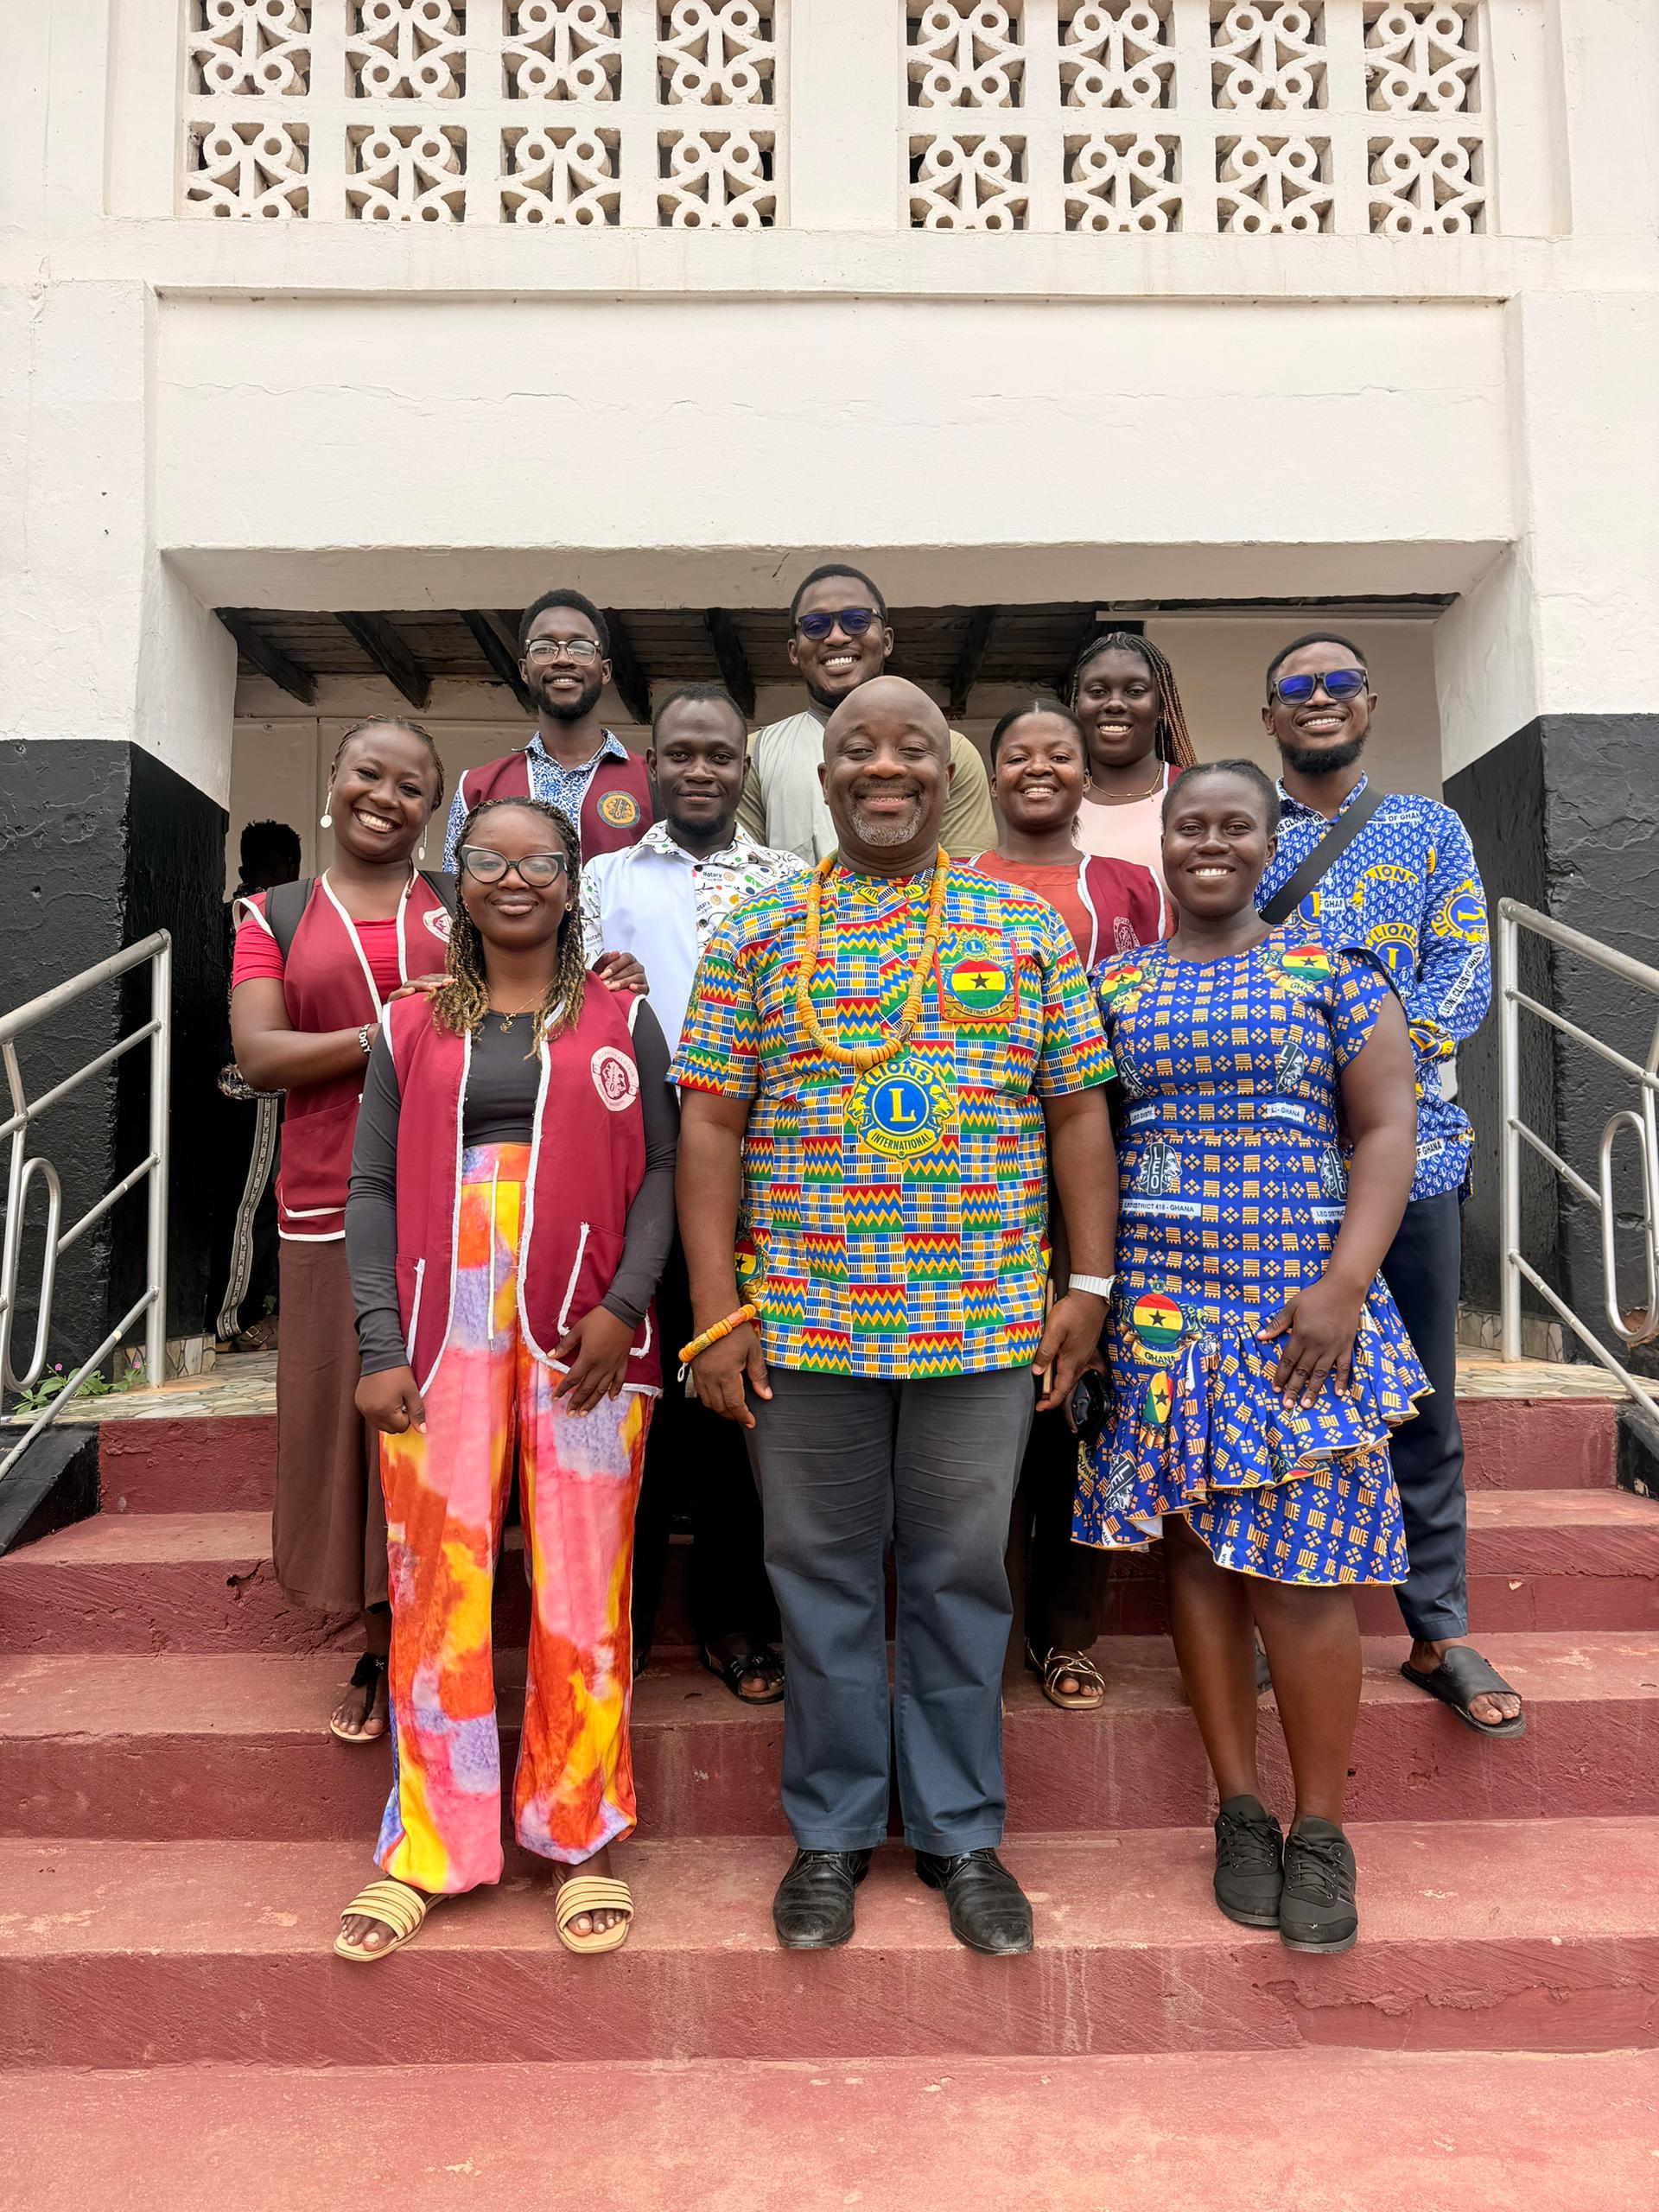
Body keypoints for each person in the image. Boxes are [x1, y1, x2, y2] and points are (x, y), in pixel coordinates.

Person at [677, 677, 1117, 1956]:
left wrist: (1089, 1287)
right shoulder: (757, 932)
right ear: (822, 781)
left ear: (946, 773)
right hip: (803, 1326)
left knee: (960, 1578)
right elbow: (709, 1125)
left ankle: (959, 1831)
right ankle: (829, 1832)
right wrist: (715, 1312)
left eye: (912, 748)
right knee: (816, 1579)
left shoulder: (1021, 926)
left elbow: (1077, 1111)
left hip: (984, 1322)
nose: (885, 767)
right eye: (857, 749)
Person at [1076, 760, 1426, 1955]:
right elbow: (1083, 1136)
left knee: (1306, 1576)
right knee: (1196, 1558)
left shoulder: (1334, 974)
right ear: (1163, 842)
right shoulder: (1115, 985)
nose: (1211, 842)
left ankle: (1321, 1827)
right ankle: (1237, 1809)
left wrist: (1345, 1285)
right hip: (1161, 1312)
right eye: (1191, 825)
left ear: (1273, 843)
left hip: (1298, 1314)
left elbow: (1387, 1126)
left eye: (1236, 825)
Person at [334, 797, 677, 1963]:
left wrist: (626, 1306)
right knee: (437, 1583)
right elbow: (371, 1187)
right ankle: (433, 1846)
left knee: (584, 1586)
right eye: (490, 860)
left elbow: (664, 1168)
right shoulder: (411, 1022)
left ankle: (580, 1837)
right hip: (440, 1328)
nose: (515, 878)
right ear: (459, 882)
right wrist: (379, 1343)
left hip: (586, 1329)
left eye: (540, 862)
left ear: (573, 883)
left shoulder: (625, 1017)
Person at [1256, 634, 1520, 1737]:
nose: (1318, 700)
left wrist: (1371, 1069)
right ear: (1270, 716)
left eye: (1337, 684)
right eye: (1296, 688)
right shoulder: (1245, 826)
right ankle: (1272, 1617)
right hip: (1270, 1167)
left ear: (1368, 701)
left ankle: (1437, 1627)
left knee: (1421, 1398)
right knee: (1272, 1387)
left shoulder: (1429, 827)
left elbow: (1464, 971)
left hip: (1414, 1149)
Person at [581, 681, 805, 1702]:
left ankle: (734, 1620)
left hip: (760, 1173)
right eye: (681, 754)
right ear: (652, 766)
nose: (701, 769)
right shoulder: (601, 879)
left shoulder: (793, 881)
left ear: (743, 767)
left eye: (719, 754)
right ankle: (612, 1627)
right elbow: (560, 1002)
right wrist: (601, 996)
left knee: (735, 1400)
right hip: (631, 1167)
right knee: (634, 1400)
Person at [230, 721, 453, 1745]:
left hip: (454, 1201)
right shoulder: (275, 912)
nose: (385, 796)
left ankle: (444, 1630)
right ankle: (377, 1640)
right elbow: (261, 1054)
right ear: (333, 781)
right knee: (351, 1432)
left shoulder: (458, 901)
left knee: (445, 1427)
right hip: (326, 1204)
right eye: (369, 773)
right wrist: (385, 1032)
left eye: (411, 785)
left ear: (432, 808)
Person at [966, 700, 1168, 1710]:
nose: (1038, 766)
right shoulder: (957, 883)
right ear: (991, 775)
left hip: (1106, 1143)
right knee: (999, 1392)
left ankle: (1068, 1627)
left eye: (1060, 754)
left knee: (1088, 1392)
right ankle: (982, 1631)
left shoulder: (1128, 883)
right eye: (1018, 753)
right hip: (991, 1161)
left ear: (1089, 777)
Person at [736, 564, 996, 863]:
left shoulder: (951, 749)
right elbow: (745, 873)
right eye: (816, 625)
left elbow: (965, 874)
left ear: (886, 641)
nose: (836, 637)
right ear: (794, 651)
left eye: (856, 621)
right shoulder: (757, 753)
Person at [442, 588, 652, 868]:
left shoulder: (654, 784)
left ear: (604, 671)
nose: (563, 659)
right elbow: (455, 889)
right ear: (524, 669)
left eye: (581, 647)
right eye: (544, 648)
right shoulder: (475, 788)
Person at [213, 819, 302, 1351]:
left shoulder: (230, 914)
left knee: (255, 1203)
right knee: (252, 1205)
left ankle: (248, 1308)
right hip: (257, 1087)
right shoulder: (267, 917)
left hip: (241, 1078)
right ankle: (234, 1319)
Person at [1070, 632, 1198, 889]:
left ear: (1161, 706)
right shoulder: (1059, 801)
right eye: (1098, 691)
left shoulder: (1194, 795)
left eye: (1135, 691)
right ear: (1076, 704)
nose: (1115, 704)